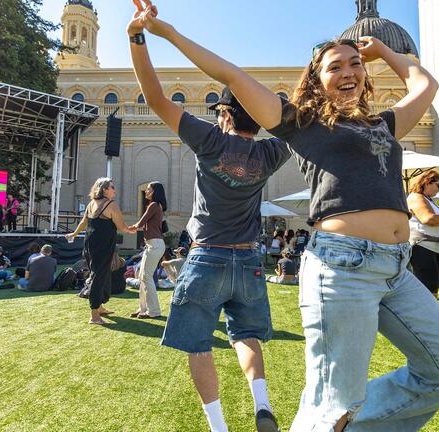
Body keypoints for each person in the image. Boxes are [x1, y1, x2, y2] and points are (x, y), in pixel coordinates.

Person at [131, 3, 439, 431]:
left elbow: (426, 84)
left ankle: (337, 423)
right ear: (316, 80)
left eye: (355, 64)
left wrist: (382, 52)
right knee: (335, 407)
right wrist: (163, 32)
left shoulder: (383, 124)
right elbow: (229, 75)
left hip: (397, 266)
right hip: (342, 266)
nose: (349, 71)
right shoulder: (300, 123)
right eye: (335, 67)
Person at [129, 6, 293, 430]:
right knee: (246, 336)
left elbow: (155, 98)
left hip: (206, 258)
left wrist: (137, 37)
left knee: (199, 346)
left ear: (225, 114)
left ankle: (219, 427)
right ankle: (262, 405)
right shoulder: (272, 152)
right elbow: (298, 116)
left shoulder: (210, 140)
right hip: (249, 260)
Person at [66, 177, 134, 325]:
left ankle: (100, 307)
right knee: (97, 276)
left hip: (90, 244)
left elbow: (83, 222)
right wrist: (133, 229)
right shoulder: (111, 205)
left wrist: (74, 234)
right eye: (112, 187)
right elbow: (121, 226)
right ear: (104, 189)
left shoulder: (91, 204)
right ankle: (94, 315)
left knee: (101, 274)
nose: (114, 190)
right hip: (103, 246)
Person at [128, 181, 168, 319]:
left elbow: (140, 223)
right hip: (152, 245)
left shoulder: (153, 205)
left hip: (155, 245)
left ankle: (154, 311)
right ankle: (143, 308)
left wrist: (126, 228)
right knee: (142, 276)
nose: (146, 191)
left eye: (149, 189)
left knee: (146, 277)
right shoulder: (157, 206)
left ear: (155, 192)